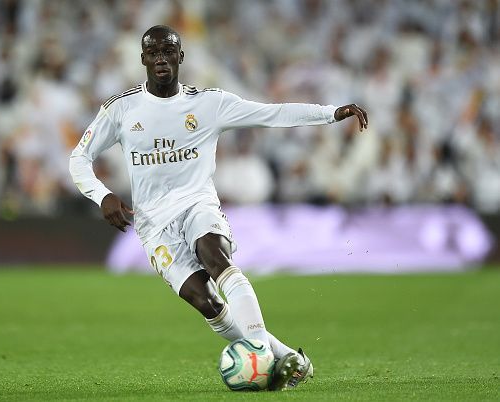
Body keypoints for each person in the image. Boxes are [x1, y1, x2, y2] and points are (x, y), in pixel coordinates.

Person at [69, 25, 368, 391]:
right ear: (143, 59)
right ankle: (286, 356)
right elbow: (79, 158)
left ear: (181, 57)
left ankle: (256, 349)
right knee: (206, 300)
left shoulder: (209, 104)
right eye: (153, 52)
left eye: (168, 51)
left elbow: (270, 114)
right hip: (153, 224)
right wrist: (102, 195)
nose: (161, 58)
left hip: (197, 203)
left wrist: (331, 113)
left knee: (216, 256)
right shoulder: (122, 108)